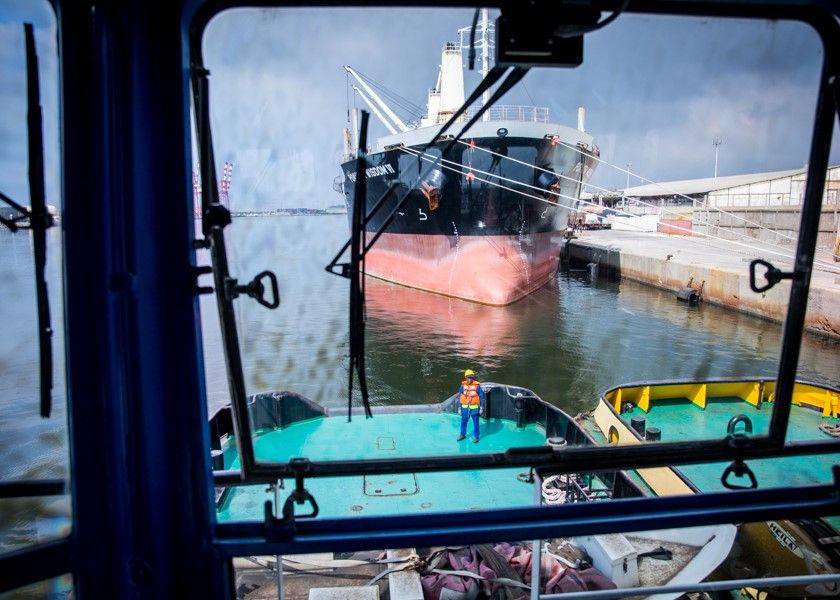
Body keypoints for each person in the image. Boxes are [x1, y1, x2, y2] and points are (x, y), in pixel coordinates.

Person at [456, 369, 485, 443]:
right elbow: (460, 396)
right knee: (463, 421)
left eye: (471, 377)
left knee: (476, 423)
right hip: (465, 408)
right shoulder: (462, 386)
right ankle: (462, 434)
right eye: (468, 377)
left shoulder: (477, 386)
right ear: (465, 377)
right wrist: (459, 407)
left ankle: (476, 437)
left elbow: (481, 397)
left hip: (474, 408)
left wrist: (481, 407)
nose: (470, 379)